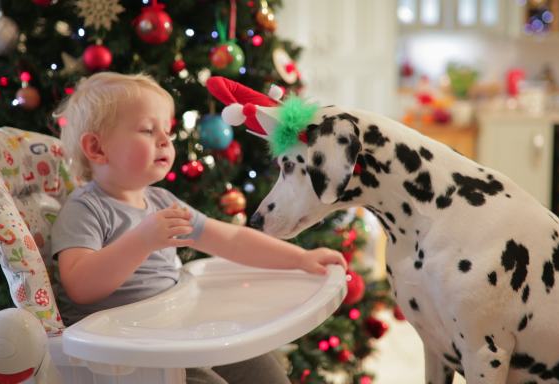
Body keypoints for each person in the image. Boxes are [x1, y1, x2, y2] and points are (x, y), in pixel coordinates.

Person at [51, 72, 346, 384]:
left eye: (166, 130)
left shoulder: (161, 201)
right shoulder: (85, 208)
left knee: (261, 367)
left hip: (170, 328)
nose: (165, 140)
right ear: (97, 149)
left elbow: (231, 239)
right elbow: (80, 286)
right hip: (124, 353)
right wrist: (142, 241)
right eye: (148, 130)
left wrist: (301, 259)